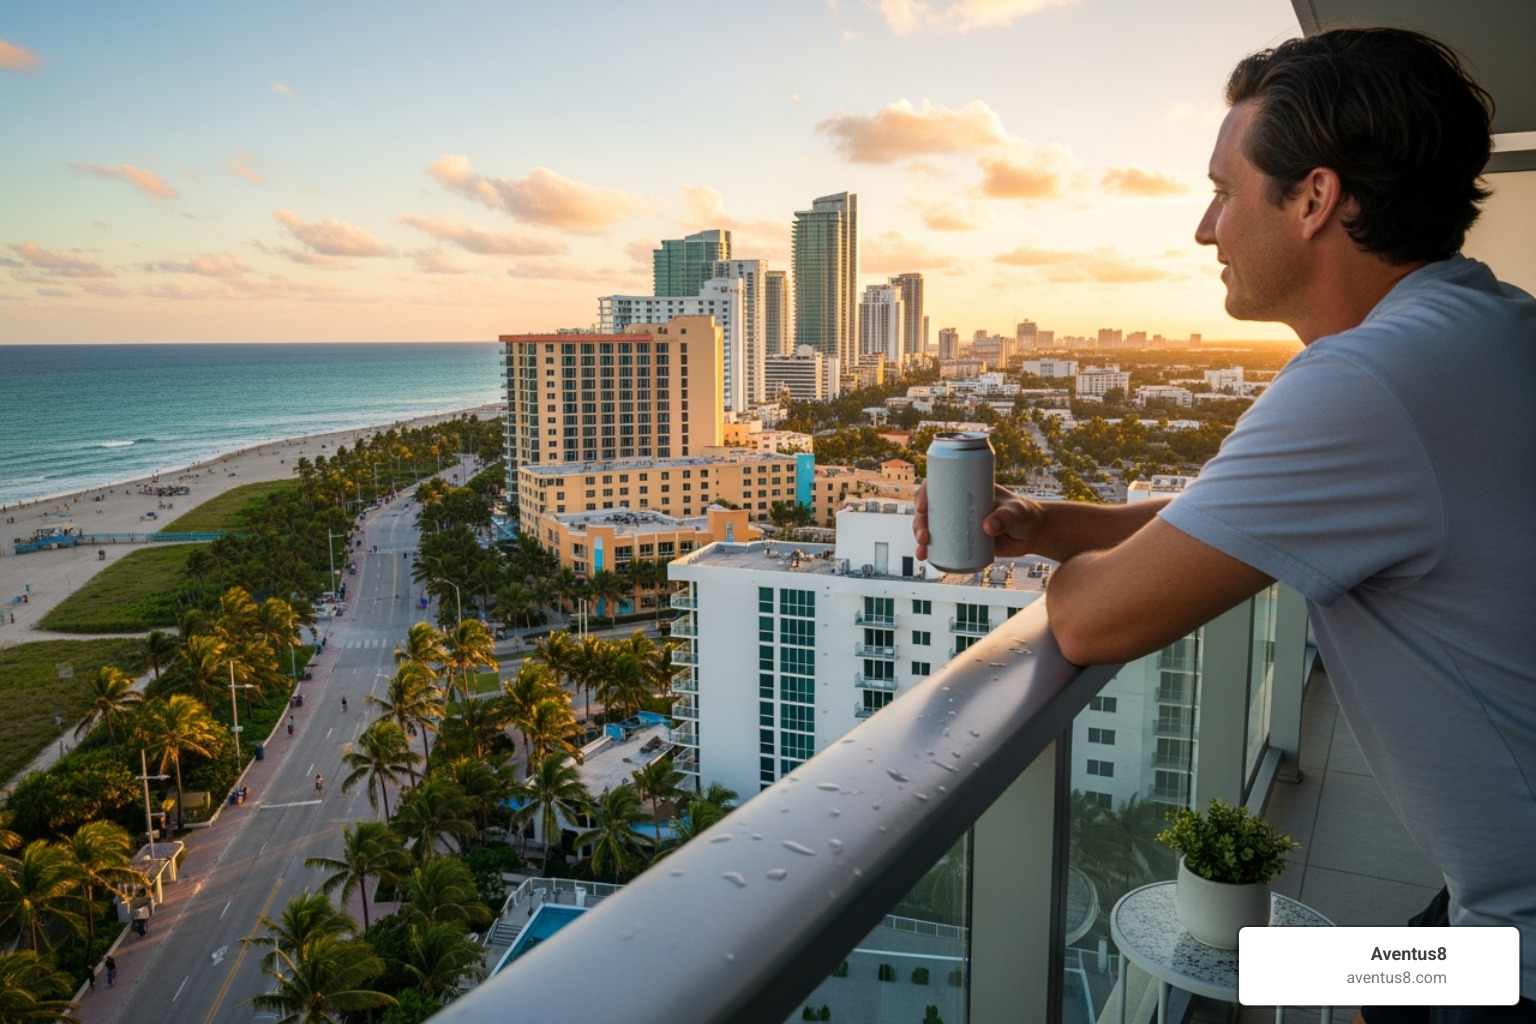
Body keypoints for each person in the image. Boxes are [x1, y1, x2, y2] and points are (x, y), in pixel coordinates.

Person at [914, 27, 1533, 1021]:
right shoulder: (1482, 325)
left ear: (1315, 199)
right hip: (1478, 908)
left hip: (1516, 956)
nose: (1206, 228)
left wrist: (1067, 571)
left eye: (1224, 190)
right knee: (1315, 978)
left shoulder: (1366, 384)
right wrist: (1050, 523)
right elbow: (1231, 516)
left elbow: (1087, 623)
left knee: (1305, 983)